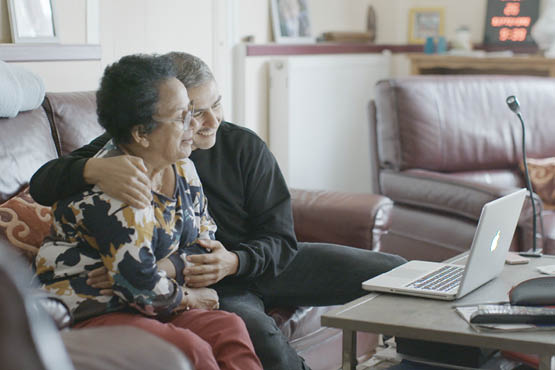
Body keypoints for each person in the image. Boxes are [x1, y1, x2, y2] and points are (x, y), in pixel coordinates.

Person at [30, 52, 406, 370]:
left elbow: (279, 238)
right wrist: (91, 168)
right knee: (250, 331)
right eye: (192, 112)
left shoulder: (237, 148)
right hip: (204, 284)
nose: (209, 122)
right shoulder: (129, 154)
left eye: (217, 104)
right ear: (157, 116)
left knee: (396, 274)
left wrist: (235, 261)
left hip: (249, 263)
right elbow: (45, 183)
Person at [33, 53, 262, 370]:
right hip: (94, 311)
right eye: (182, 116)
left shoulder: (183, 168)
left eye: (190, 113)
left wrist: (161, 267)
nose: (194, 125)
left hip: (150, 298)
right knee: (189, 349)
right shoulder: (119, 192)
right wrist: (190, 298)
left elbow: (205, 240)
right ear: (141, 133)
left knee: (230, 328)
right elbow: (140, 289)